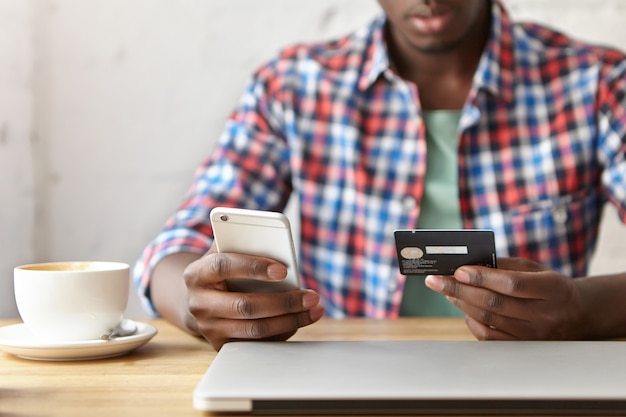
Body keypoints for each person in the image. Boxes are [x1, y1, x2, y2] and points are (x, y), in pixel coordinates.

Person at [134, 0, 626, 351]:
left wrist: (582, 309)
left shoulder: (598, 83)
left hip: (536, 369)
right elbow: (177, 246)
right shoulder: (293, 86)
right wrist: (198, 303)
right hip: (342, 369)